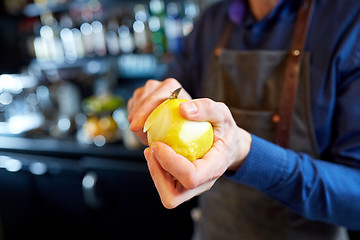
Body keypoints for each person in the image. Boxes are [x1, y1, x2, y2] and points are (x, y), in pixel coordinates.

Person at [127, 0, 360, 239]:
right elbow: (165, 92)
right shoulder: (212, 21)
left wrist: (244, 152)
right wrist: (145, 103)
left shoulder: (350, 22)